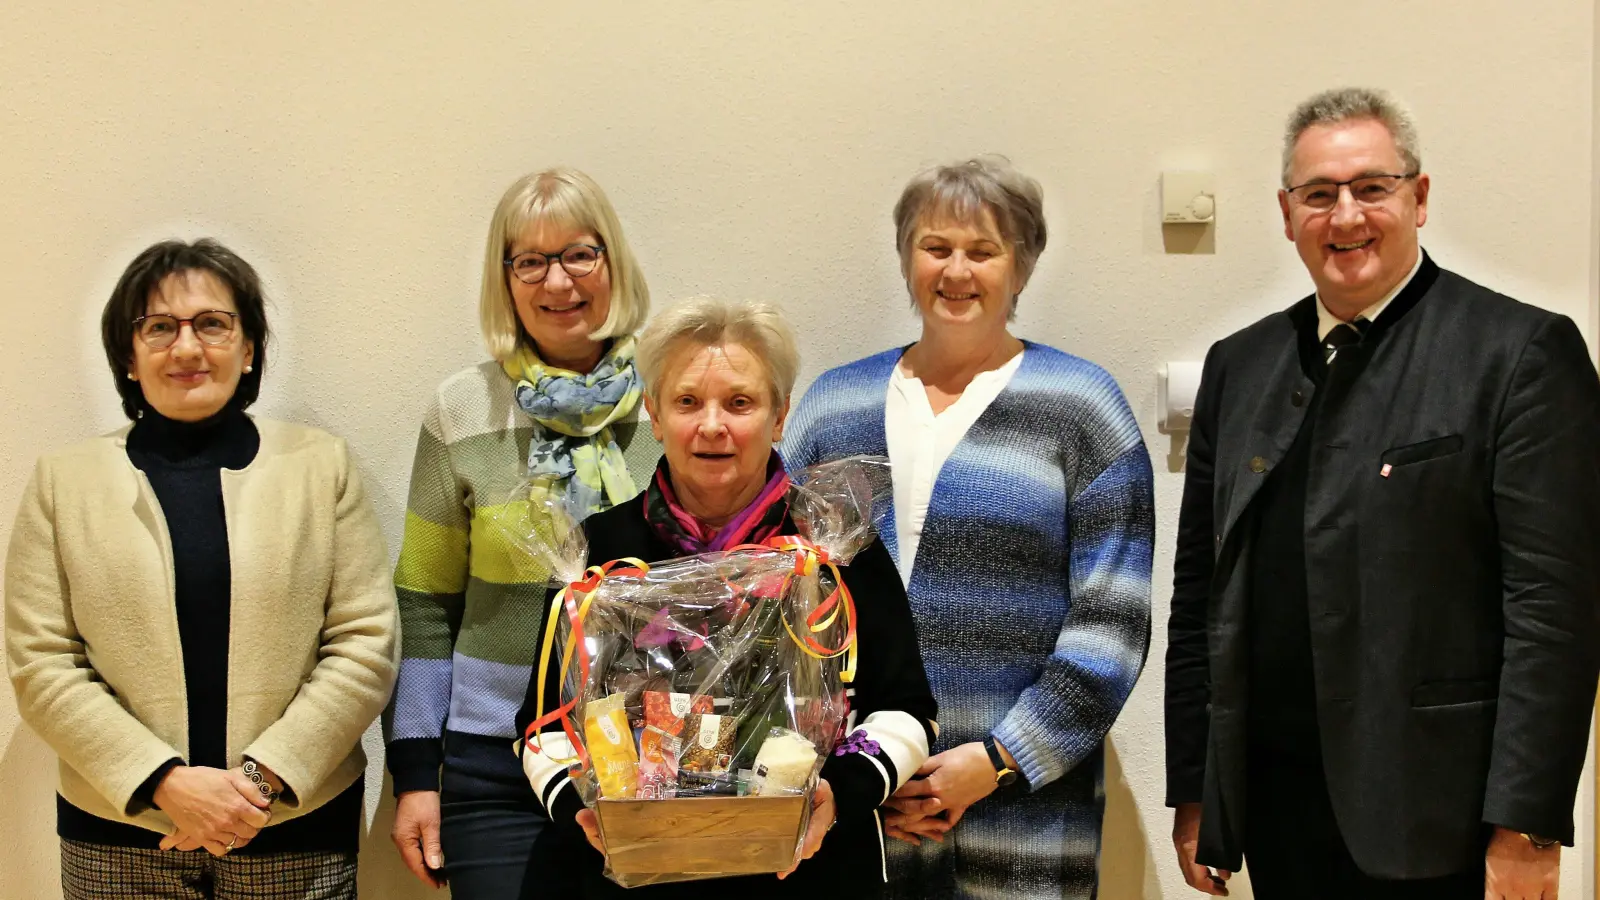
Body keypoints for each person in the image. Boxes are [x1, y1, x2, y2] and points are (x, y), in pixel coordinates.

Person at [1164, 87, 1600, 900]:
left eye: (1372, 187)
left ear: (1419, 198)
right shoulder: (1240, 365)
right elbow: (1200, 599)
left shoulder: (1520, 353)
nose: (1346, 216)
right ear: (1287, 214)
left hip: (1441, 817)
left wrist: (1528, 824)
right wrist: (1197, 792)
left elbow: (1554, 613)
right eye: (1319, 195)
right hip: (1278, 808)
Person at [782, 156, 1154, 899]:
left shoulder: (1084, 409)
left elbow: (1112, 621)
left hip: (1024, 814)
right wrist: (856, 775)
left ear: (1022, 267)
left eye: (983, 251)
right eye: (936, 247)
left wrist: (1000, 759)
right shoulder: (832, 408)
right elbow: (783, 606)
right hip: (855, 812)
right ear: (906, 259)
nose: (957, 271)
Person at [5, 238, 399, 900]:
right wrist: (163, 781)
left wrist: (257, 781)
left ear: (249, 349)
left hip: (292, 827)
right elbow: (41, 661)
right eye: (159, 327)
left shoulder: (320, 466)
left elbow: (364, 643)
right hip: (118, 834)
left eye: (212, 323)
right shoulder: (62, 482)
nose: (187, 347)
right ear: (127, 357)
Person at [514, 296, 939, 898]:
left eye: (740, 403)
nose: (712, 425)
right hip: (629, 874)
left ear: (780, 415)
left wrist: (840, 792)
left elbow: (907, 710)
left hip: (810, 871)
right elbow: (542, 725)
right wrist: (581, 810)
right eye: (687, 401)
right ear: (655, 414)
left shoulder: (835, 553)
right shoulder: (602, 554)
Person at [384, 167, 661, 897]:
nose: (558, 282)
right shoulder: (462, 408)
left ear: (613, 261)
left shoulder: (677, 396)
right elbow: (424, 601)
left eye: (579, 254)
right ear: (504, 279)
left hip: (656, 758)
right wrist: (416, 774)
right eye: (530, 261)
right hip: (495, 764)